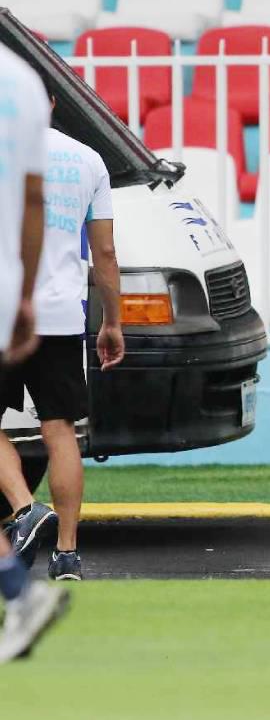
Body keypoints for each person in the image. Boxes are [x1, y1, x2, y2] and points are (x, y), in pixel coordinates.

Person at [0, 87, 124, 583]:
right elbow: (106, 253)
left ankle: (26, 508)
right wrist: (112, 321)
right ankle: (67, 555)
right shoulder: (88, 160)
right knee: (60, 430)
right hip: (62, 314)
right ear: (51, 102)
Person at [0, 43, 70, 662]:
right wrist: (20, 297)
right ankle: (19, 595)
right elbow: (31, 204)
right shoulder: (22, 81)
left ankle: (19, 592)